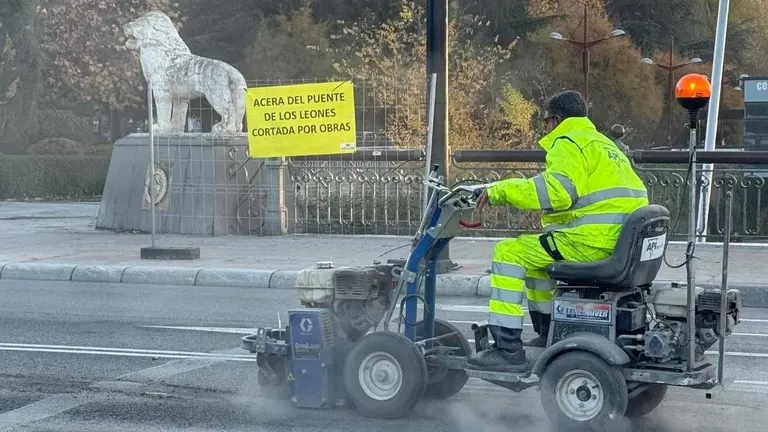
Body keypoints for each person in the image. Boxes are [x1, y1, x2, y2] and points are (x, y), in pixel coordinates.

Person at [466, 90, 649, 372]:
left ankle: (506, 349)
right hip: (618, 240)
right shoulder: (603, 143)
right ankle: (547, 334)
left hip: (589, 241)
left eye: (546, 121)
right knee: (538, 264)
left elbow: (557, 192)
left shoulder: (568, 142)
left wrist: (499, 190)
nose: (546, 127)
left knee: (508, 253)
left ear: (556, 120)